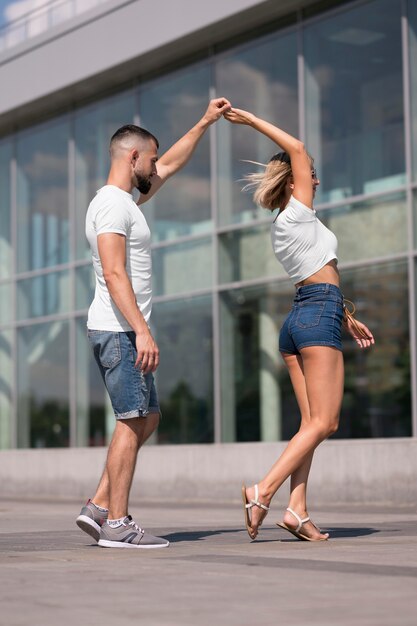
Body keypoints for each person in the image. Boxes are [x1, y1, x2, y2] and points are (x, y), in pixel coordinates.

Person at [76, 97, 231, 549]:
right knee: (132, 419)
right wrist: (141, 329)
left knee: (149, 416)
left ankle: (99, 505)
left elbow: (172, 166)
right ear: (132, 157)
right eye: (151, 158)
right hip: (121, 329)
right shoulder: (111, 205)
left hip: (123, 328)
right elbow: (114, 271)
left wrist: (204, 121)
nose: (156, 166)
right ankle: (118, 524)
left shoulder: (125, 200)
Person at [223, 107, 374, 542]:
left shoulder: (286, 224)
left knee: (310, 424)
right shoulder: (298, 212)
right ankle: (263, 490)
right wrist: (251, 121)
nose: (317, 180)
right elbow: (299, 148)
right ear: (294, 182)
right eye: (310, 175)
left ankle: (297, 510)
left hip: (301, 318)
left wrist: (346, 314)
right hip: (316, 315)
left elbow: (316, 274)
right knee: (325, 423)